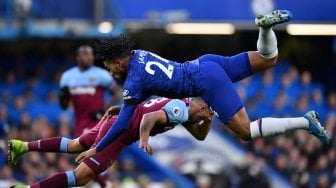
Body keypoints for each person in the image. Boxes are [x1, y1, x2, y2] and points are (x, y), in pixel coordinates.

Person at [82, 10, 329, 160]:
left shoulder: (133, 79)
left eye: (109, 66)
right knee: (269, 58)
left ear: (118, 62)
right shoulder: (137, 54)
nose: (110, 71)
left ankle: (305, 121)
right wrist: (124, 105)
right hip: (205, 63)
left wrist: (97, 148)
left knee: (246, 132)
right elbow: (146, 90)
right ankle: (264, 28)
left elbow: (125, 121)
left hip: (203, 81)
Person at [9, 97, 214, 188]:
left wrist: (209, 120)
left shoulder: (183, 107)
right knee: (81, 178)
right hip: (120, 133)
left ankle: (22, 146)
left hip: (116, 121)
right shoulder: (180, 110)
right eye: (208, 114)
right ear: (203, 107)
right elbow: (148, 118)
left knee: (74, 145)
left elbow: (200, 136)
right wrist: (143, 139)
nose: (205, 119)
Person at [59, 45, 114, 137]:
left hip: (97, 122)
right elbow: (64, 106)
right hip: (78, 124)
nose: (89, 57)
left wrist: (104, 110)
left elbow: (117, 93)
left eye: (91, 54)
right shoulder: (67, 76)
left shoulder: (101, 74)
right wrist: (62, 97)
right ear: (77, 57)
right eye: (85, 54)